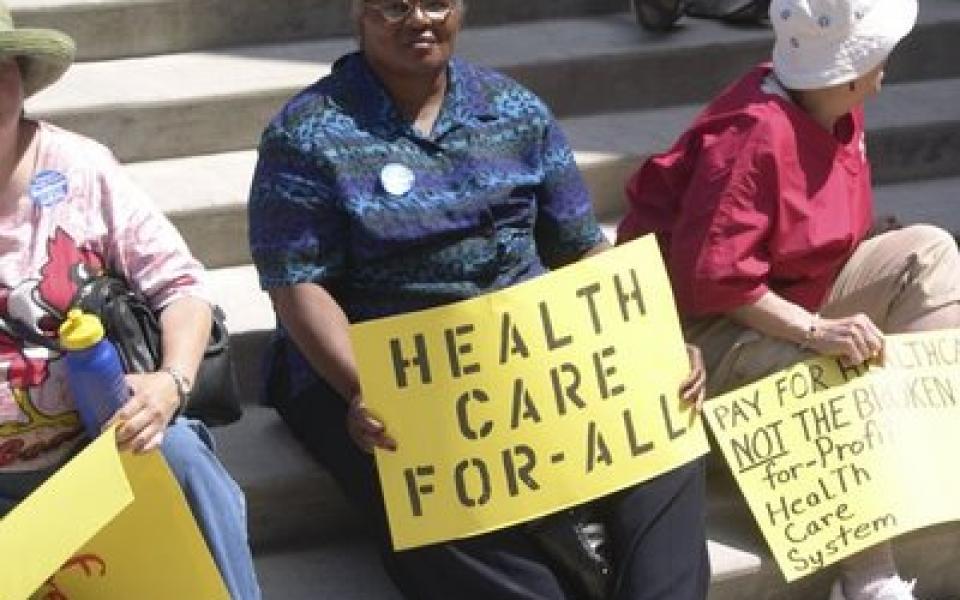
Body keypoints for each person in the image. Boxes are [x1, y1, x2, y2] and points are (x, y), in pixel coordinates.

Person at [248, 1, 710, 598]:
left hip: (521, 348)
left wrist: (651, 341)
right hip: (378, 368)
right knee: (438, 502)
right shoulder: (306, 134)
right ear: (358, 13)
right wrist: (366, 387)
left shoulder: (514, 110)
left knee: (666, 423)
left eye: (436, 1)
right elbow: (297, 284)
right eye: (393, 5)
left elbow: (581, 248)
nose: (419, 18)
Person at [617, 0, 956, 599]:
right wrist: (813, 330)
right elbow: (713, 281)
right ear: (848, 71)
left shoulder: (835, 107)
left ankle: (924, 449)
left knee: (929, 251)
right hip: (703, 331)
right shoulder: (752, 135)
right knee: (821, 367)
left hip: (798, 287)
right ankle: (868, 569)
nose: (888, 66)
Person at [0, 6, 261, 598]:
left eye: (1, 67)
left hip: (96, 452)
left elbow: (181, 288)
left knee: (178, 453)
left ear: (22, 77)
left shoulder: (81, 168)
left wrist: (171, 382)